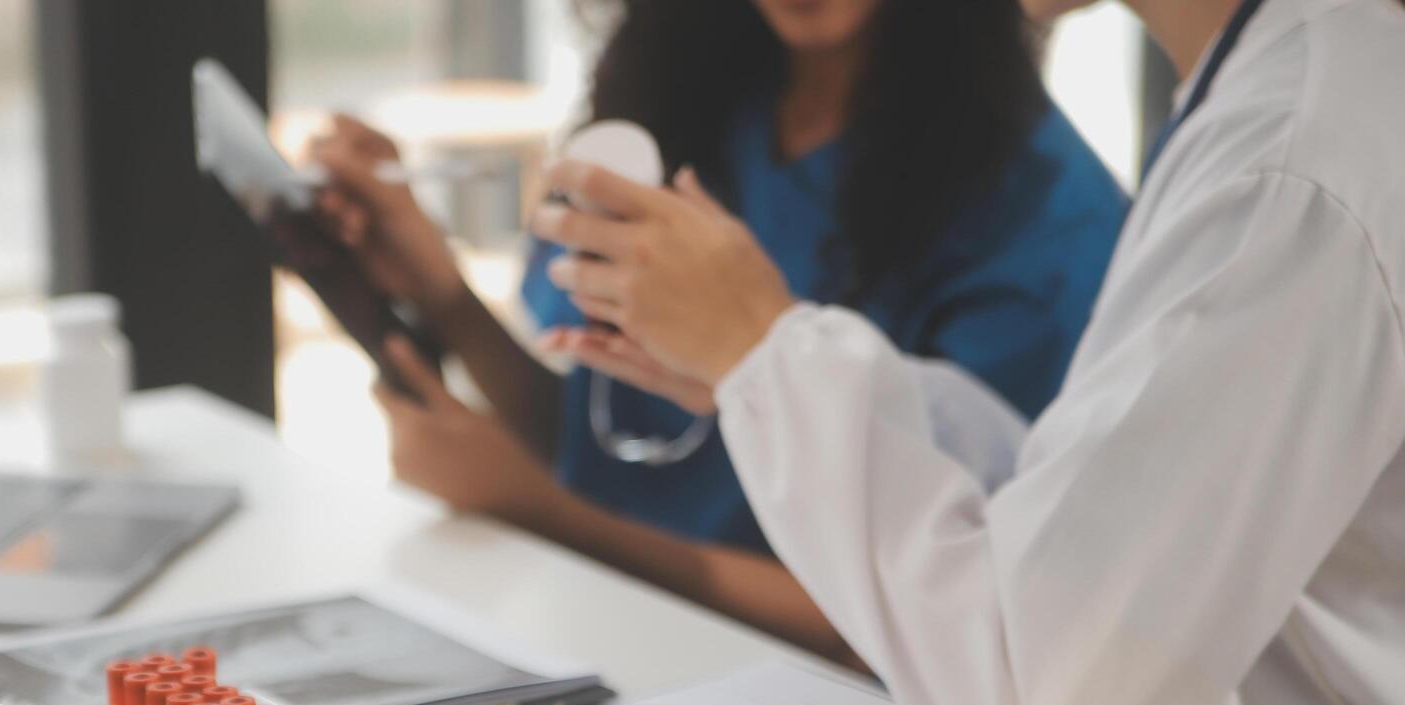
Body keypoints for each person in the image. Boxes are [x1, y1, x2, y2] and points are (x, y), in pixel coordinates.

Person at [531, 0, 1405, 705]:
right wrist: (760, 370)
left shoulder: (1294, 157)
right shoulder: (1271, 91)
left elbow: (1032, 684)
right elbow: (1085, 506)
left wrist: (768, 357)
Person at [313, 0, 1125, 664]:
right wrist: (443, 296)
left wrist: (550, 518)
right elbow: (615, 429)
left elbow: (957, 613)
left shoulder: (1046, 217)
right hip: (591, 645)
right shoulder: (687, 103)